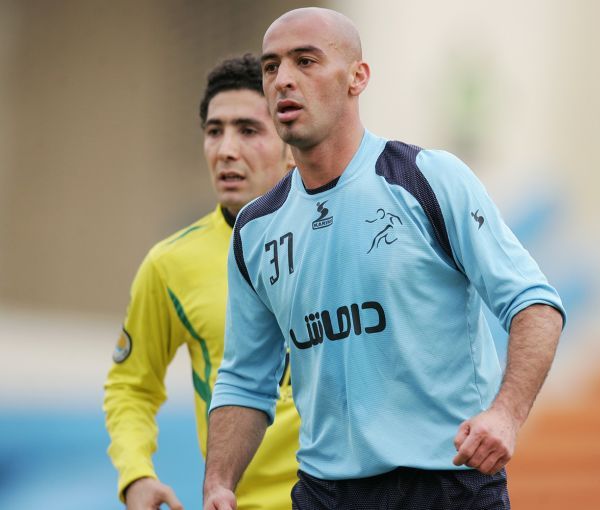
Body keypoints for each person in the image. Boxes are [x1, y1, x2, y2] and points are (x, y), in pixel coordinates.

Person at [204, 8, 565, 510]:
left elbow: (535, 304)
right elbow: (245, 378)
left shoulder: (425, 178)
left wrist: (506, 414)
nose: (283, 79)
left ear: (357, 77)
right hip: (326, 493)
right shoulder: (255, 228)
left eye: (305, 61)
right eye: (271, 66)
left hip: (449, 485)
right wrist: (219, 483)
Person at [104, 54, 300, 510]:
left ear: (290, 143)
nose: (226, 149)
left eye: (248, 130)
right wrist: (136, 474)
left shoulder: (343, 237)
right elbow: (131, 386)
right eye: (215, 131)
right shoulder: (170, 264)